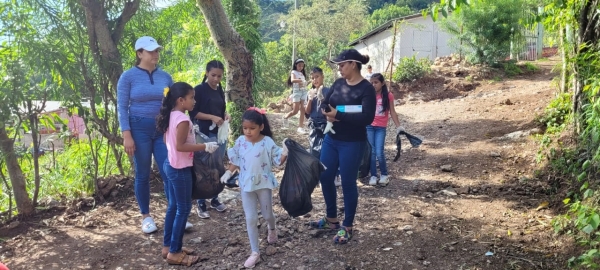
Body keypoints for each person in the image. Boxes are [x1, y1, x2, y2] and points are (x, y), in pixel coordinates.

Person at [117, 36, 192, 233]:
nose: (155, 54)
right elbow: (122, 107)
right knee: (142, 174)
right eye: (151, 51)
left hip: (162, 130)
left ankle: (175, 213)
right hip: (138, 129)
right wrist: (127, 135)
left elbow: (174, 103)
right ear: (139, 53)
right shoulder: (128, 77)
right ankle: (146, 216)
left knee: (170, 170)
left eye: (157, 51)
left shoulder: (165, 77)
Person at [308, 49, 376, 244]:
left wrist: (338, 114)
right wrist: (326, 111)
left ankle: (347, 226)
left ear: (353, 64)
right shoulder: (338, 84)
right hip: (332, 139)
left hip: (353, 142)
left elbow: (366, 117)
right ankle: (331, 219)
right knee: (325, 176)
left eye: (342, 65)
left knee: (347, 182)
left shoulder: (366, 89)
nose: (339, 68)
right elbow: (326, 104)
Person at [156, 82, 219, 266]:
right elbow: (180, 146)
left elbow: (169, 140)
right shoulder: (183, 119)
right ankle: (174, 253)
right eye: (191, 98)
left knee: (173, 207)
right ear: (181, 100)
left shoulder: (172, 116)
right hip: (180, 168)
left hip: (170, 164)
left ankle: (168, 246)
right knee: (183, 209)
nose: (194, 101)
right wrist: (204, 146)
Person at [219, 108, 288, 268]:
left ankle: (272, 228)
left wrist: (284, 152)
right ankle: (255, 251)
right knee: (250, 218)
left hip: (263, 184)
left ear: (261, 127)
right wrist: (228, 173)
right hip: (246, 185)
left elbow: (278, 161)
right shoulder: (240, 141)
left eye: (252, 128)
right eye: (245, 128)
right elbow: (236, 160)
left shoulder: (267, 142)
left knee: (267, 213)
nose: (248, 131)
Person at [189, 60, 229, 218]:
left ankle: (214, 198)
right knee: (203, 167)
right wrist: (212, 117)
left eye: (219, 76)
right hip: (203, 133)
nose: (216, 79)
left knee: (217, 166)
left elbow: (222, 109)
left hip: (219, 133)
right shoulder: (199, 90)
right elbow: (193, 113)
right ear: (206, 73)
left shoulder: (219, 89)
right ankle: (200, 202)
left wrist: (225, 116)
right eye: (213, 75)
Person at [305, 67, 341, 187]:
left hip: (327, 124)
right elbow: (307, 112)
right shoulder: (310, 92)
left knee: (328, 151)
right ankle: (318, 177)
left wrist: (323, 99)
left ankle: (335, 175)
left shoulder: (328, 91)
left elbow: (333, 108)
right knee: (314, 151)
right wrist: (310, 99)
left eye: (317, 77)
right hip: (314, 124)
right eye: (313, 78)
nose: (315, 80)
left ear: (322, 77)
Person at [367, 73, 403, 186]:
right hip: (369, 126)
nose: (373, 85)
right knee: (371, 152)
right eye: (372, 83)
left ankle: (384, 174)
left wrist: (399, 126)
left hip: (380, 128)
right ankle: (373, 175)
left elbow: (392, 111)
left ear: (382, 83)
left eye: (376, 82)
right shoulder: (368, 95)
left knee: (379, 151)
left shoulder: (388, 96)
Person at [283, 59, 309, 134]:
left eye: (302, 66)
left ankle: (300, 127)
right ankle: (285, 117)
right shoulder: (293, 72)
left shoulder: (302, 74)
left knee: (303, 109)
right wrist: (301, 81)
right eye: (299, 65)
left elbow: (304, 83)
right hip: (297, 92)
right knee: (295, 111)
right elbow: (292, 80)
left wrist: (306, 83)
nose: (301, 67)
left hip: (303, 91)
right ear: (295, 65)